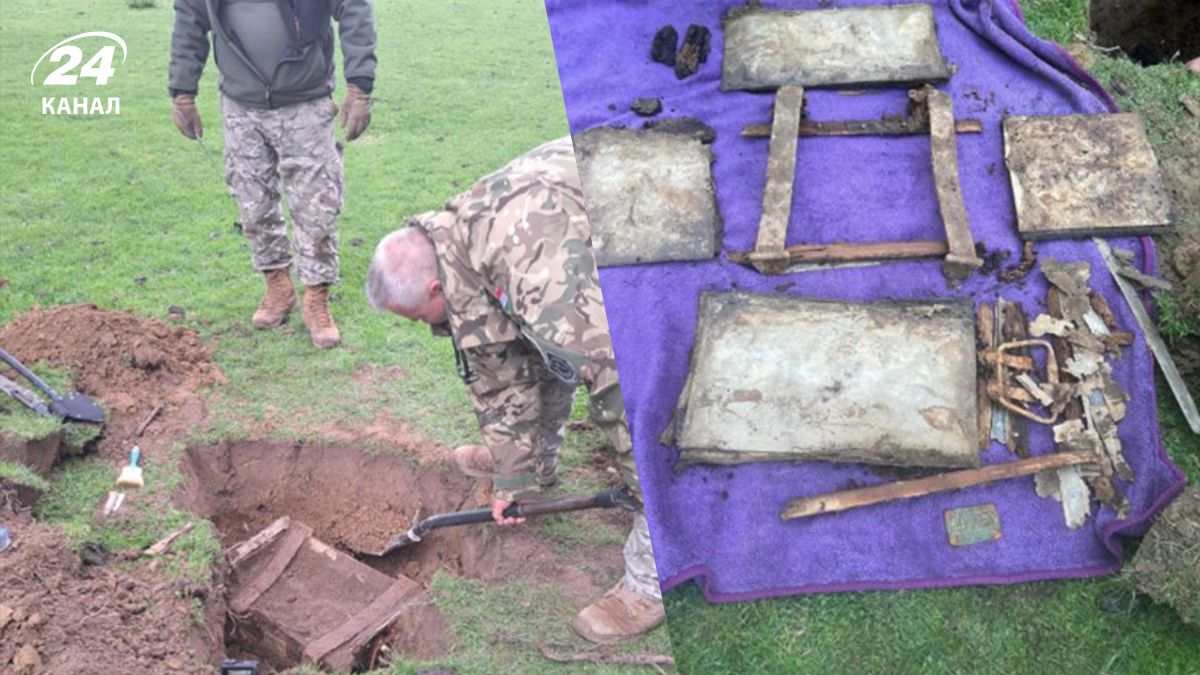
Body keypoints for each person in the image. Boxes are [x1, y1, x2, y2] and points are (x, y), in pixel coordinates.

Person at [364, 138, 665, 643]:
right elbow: (499, 360)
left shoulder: (542, 276)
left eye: (419, 317)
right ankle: (538, 461)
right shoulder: (457, 240)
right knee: (539, 346)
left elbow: (626, 390)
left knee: (649, 437)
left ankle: (654, 577)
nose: (427, 327)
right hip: (587, 219)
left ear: (435, 289)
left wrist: (645, 483)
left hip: (649, 218)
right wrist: (513, 474)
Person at [168, 0, 377, 349]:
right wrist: (182, 94)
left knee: (317, 207)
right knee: (252, 204)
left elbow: (354, 7)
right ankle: (278, 286)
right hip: (240, 106)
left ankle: (317, 298)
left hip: (306, 102)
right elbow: (190, 19)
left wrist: (359, 88)